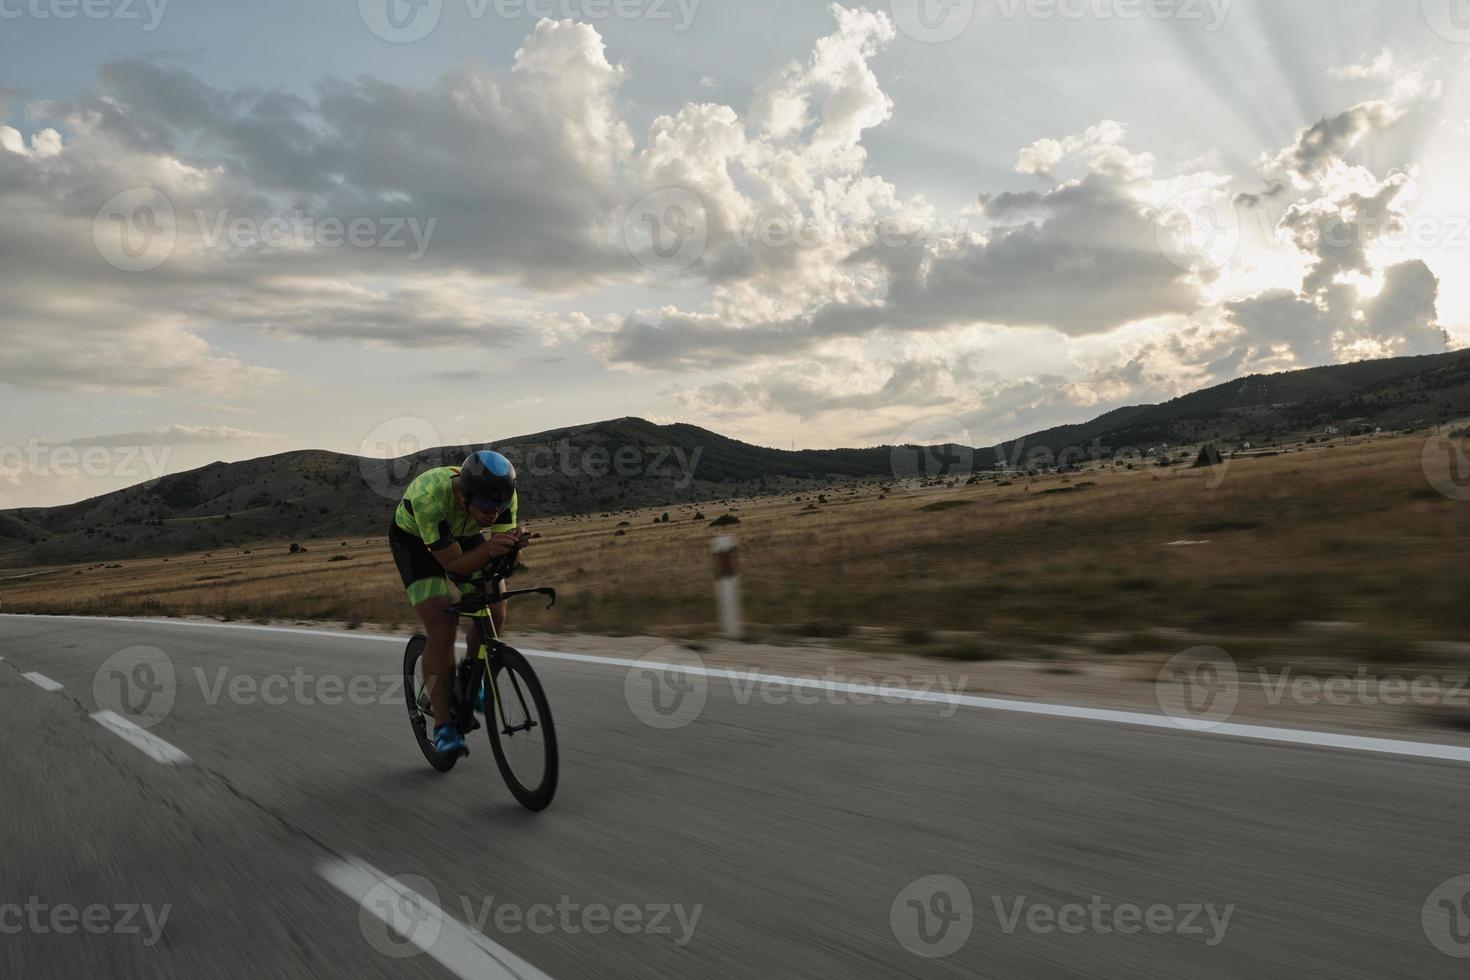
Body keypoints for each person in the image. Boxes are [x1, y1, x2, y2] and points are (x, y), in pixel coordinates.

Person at [389, 450, 531, 756]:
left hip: (462, 532)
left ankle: (470, 675)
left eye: (500, 505)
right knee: (442, 625)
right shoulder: (431, 496)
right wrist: (492, 548)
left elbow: (505, 557)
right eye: (484, 504)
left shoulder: (500, 497)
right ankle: (444, 726)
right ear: (465, 494)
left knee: (494, 601)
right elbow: (454, 566)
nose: (493, 512)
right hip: (414, 541)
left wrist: (514, 548)